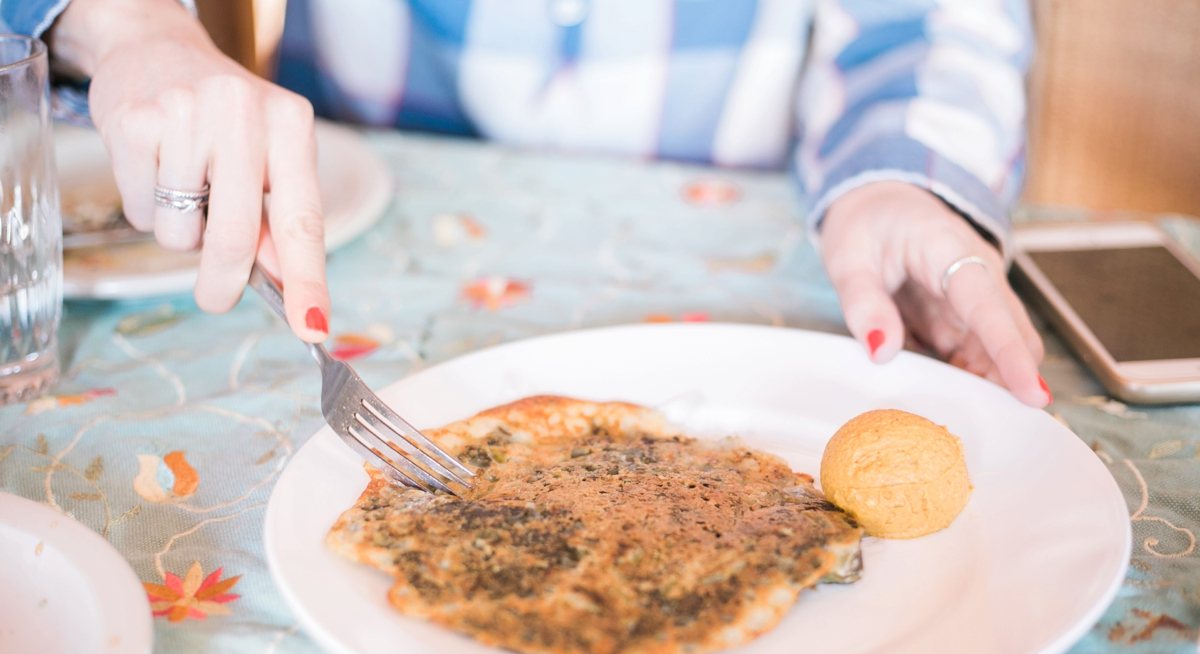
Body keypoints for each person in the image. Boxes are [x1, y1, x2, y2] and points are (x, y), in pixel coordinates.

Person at [9, 0, 1049, 407]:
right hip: (342, 267)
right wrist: (123, 23)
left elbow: (934, 26)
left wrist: (898, 180)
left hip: (763, 289)